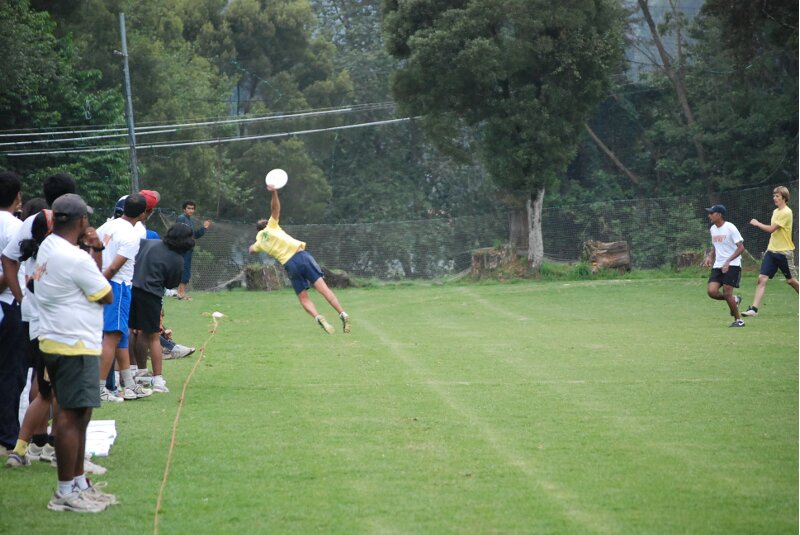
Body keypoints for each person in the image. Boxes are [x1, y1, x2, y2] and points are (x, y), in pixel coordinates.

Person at [33, 193, 116, 512]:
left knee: (80, 411)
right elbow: (104, 293)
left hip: (57, 338)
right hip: (73, 343)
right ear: (81, 221)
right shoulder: (75, 258)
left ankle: (79, 483)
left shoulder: (49, 247)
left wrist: (91, 249)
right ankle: (66, 492)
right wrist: (95, 249)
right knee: (69, 415)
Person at [248, 184, 351, 334]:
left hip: (290, 265)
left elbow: (251, 250)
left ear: (258, 231)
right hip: (302, 256)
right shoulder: (272, 226)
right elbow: (275, 209)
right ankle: (343, 313)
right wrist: (274, 192)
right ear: (267, 224)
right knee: (324, 290)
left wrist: (253, 247)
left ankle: (318, 317)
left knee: (304, 298)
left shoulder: (260, 242)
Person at [95, 193, 152, 402]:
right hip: (116, 288)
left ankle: (129, 385)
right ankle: (100, 389)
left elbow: (92, 249)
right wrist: (100, 286)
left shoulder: (106, 226)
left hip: (107, 284)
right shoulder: (131, 235)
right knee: (111, 337)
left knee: (120, 336)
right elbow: (114, 266)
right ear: (144, 214)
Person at [129, 224, 195, 393]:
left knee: (131, 332)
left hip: (130, 291)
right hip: (150, 296)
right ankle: (157, 380)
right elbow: (171, 283)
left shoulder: (148, 243)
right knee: (152, 336)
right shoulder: (177, 259)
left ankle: (136, 372)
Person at [741, 186, 799, 316]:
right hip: (771, 251)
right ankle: (754, 310)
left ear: (784, 198)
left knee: (791, 281)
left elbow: (772, 229)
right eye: (774, 196)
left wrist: (757, 223)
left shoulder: (786, 212)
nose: (775, 198)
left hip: (784, 252)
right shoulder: (775, 211)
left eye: (777, 196)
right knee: (761, 278)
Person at [0, 171, 25, 454]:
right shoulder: (13, 227)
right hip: (8, 304)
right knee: (10, 372)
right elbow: (12, 265)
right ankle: (7, 437)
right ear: (16, 197)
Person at [702, 204, 745, 327]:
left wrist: (728, 261)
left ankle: (739, 320)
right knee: (712, 292)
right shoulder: (713, 229)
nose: (709, 215)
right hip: (718, 265)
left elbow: (741, 248)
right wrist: (710, 256)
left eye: (711, 213)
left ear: (719, 215)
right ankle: (735, 300)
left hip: (733, 265)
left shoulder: (730, 227)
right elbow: (715, 246)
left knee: (727, 293)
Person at [175, 200, 211, 300]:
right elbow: (178, 233)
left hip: (188, 249)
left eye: (192, 208)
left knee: (186, 270)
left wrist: (204, 228)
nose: (191, 210)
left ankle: (181, 293)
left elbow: (194, 235)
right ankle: (180, 294)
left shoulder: (189, 220)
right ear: (184, 209)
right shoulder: (181, 218)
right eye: (189, 208)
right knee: (184, 270)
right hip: (183, 249)